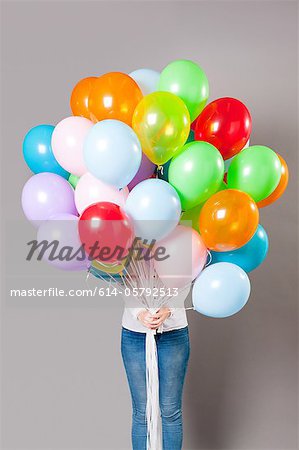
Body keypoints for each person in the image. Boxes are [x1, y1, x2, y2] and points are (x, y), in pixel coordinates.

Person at [121, 302, 190, 450]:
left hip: (174, 333)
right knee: (142, 413)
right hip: (134, 334)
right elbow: (123, 282)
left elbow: (186, 280)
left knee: (171, 411)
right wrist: (139, 312)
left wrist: (169, 309)